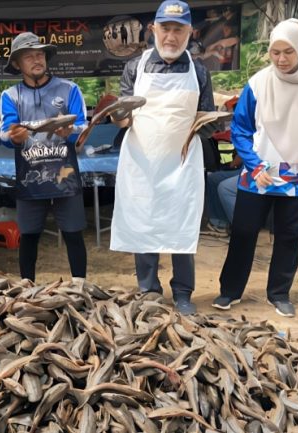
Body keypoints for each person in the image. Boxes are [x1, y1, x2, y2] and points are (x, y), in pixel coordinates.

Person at [212, 19, 298, 317]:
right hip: (258, 173)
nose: (281, 59)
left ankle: (279, 293)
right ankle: (229, 290)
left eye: (288, 52)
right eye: (275, 52)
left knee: (288, 235)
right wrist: (254, 165)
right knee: (243, 231)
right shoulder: (258, 83)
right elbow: (241, 129)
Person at [110, 0, 216, 315]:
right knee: (144, 224)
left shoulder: (199, 70)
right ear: (153, 30)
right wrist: (118, 117)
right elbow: (123, 117)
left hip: (182, 164)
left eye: (178, 30)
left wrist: (208, 123)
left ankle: (183, 292)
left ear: (189, 32)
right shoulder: (134, 67)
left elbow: (207, 121)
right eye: (165, 29)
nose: (171, 36)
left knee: (180, 227)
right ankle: (148, 289)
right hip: (142, 161)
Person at [0, 32, 88, 283]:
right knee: (29, 236)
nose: (37, 60)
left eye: (40, 55)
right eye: (29, 56)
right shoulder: (10, 96)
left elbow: (82, 128)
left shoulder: (69, 89)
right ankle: (27, 289)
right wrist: (14, 137)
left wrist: (70, 132)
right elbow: (5, 134)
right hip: (30, 177)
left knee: (73, 234)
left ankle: (79, 288)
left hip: (65, 175)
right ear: (17, 64)